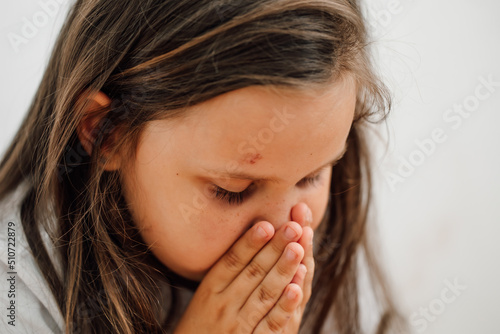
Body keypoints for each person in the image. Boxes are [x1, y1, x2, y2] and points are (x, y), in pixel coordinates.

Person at [0, 0, 408, 333]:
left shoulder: (328, 234)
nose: (290, 231)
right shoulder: (15, 288)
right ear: (108, 133)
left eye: (311, 177)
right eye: (233, 190)